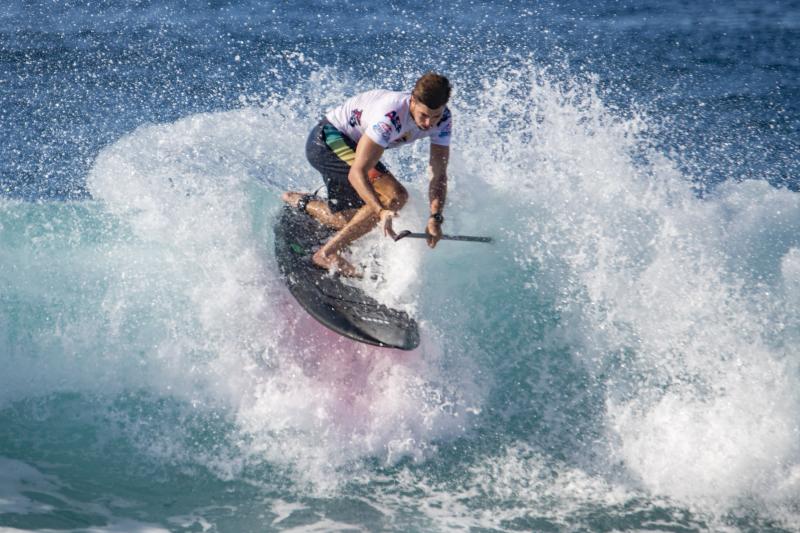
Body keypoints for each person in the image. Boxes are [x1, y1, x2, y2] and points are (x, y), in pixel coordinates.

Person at [282, 72, 453, 277]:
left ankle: (302, 201)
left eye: (435, 116)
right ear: (413, 101)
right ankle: (326, 253)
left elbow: (439, 174)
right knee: (394, 197)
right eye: (424, 115)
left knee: (355, 222)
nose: (428, 124)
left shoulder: (443, 119)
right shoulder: (390, 117)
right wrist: (380, 211)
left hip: (355, 148)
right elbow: (357, 173)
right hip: (328, 140)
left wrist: (435, 217)